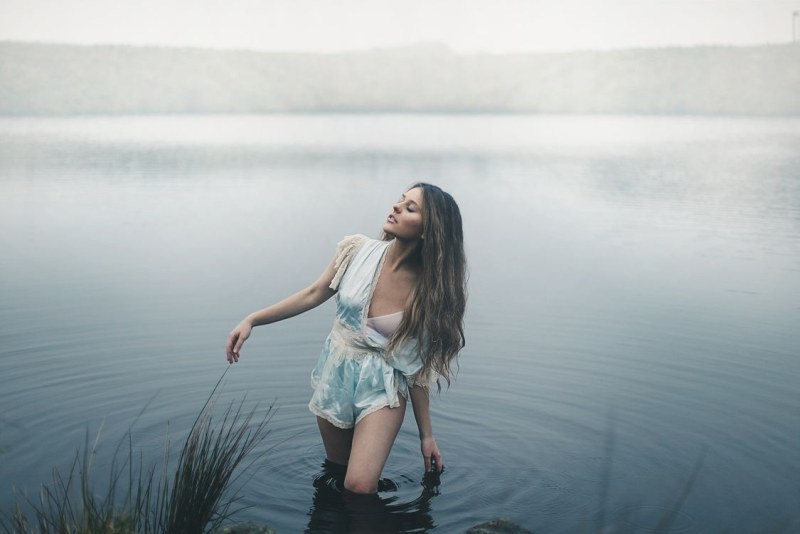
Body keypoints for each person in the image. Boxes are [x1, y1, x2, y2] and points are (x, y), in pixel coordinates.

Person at [225, 183, 466, 495]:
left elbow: (415, 368)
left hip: (383, 386)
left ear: (427, 231)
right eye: (400, 200)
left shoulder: (427, 293)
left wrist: (427, 436)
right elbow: (313, 294)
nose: (396, 207)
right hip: (337, 372)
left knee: (359, 485)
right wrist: (253, 319)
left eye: (410, 208)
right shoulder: (357, 251)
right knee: (337, 475)